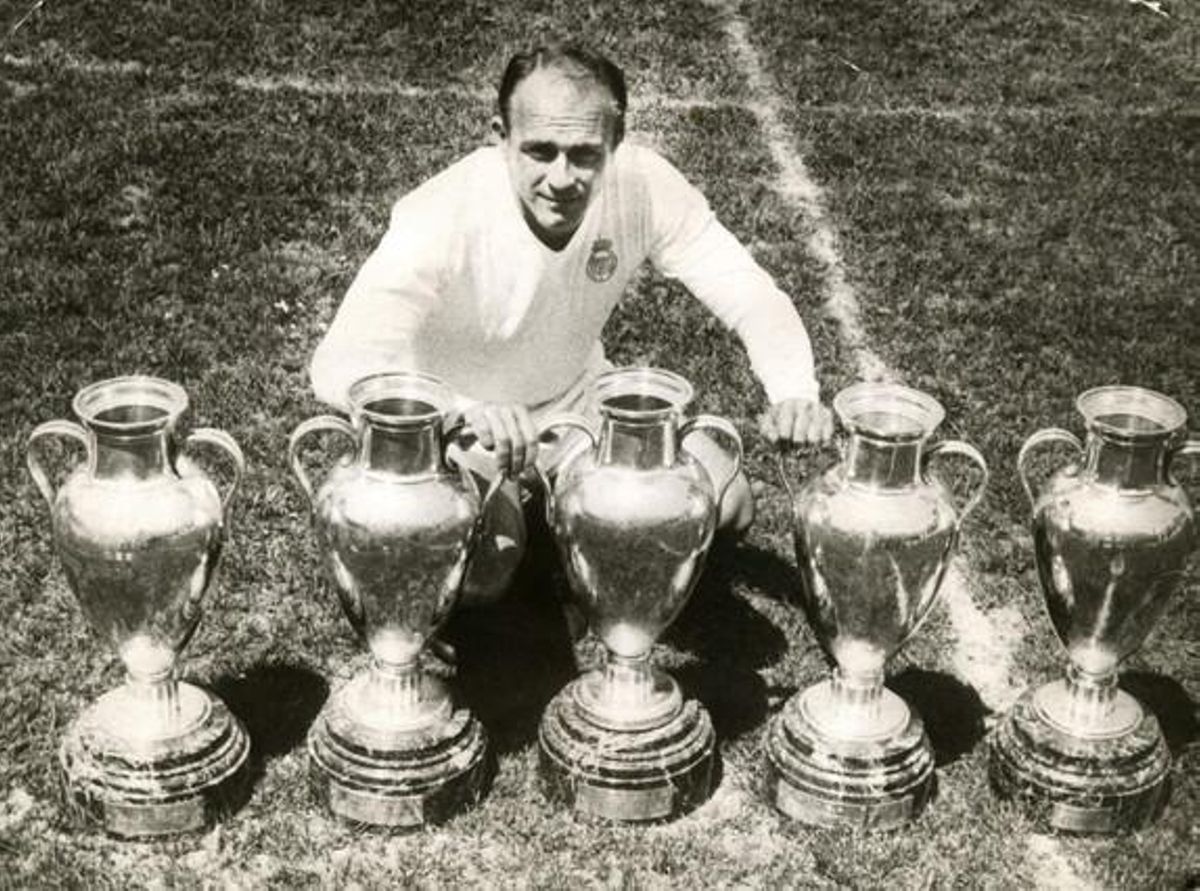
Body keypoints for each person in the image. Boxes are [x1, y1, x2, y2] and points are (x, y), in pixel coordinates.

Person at [310, 43, 833, 603]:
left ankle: (566, 529)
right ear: (499, 137)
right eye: (540, 151)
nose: (562, 177)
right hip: (461, 426)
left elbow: (747, 290)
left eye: (584, 154)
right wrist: (462, 413)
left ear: (617, 141)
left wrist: (795, 391)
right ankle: (543, 532)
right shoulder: (438, 216)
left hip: (576, 405)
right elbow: (339, 365)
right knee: (484, 572)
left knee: (726, 503)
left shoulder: (644, 185)